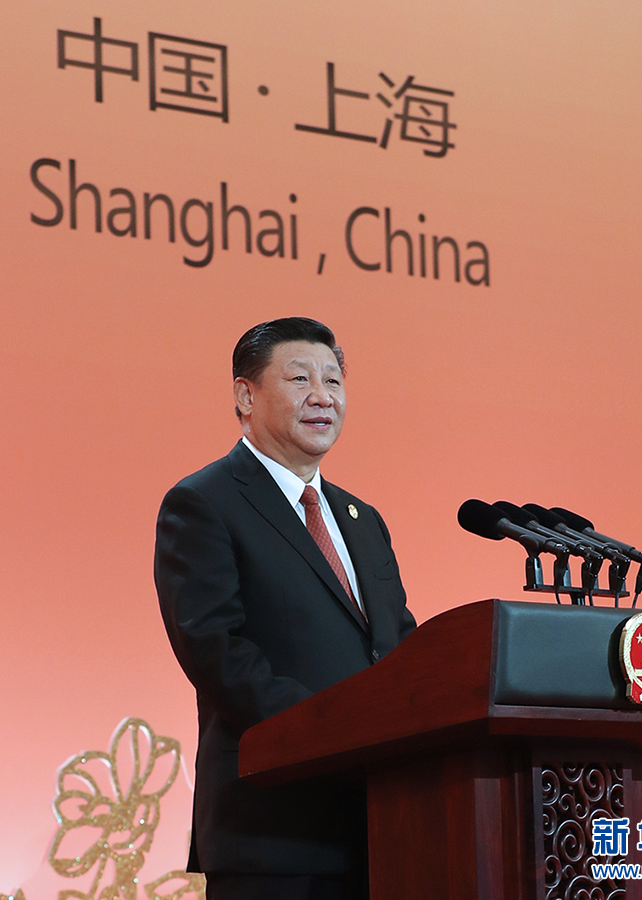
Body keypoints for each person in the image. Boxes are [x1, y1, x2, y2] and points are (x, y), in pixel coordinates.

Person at [155, 317, 416, 899]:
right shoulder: (203, 503)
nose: (323, 396)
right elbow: (217, 652)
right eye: (300, 379)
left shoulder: (363, 519)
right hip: (274, 832)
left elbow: (397, 646)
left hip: (385, 823)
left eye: (333, 381)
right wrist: (337, 731)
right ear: (245, 396)